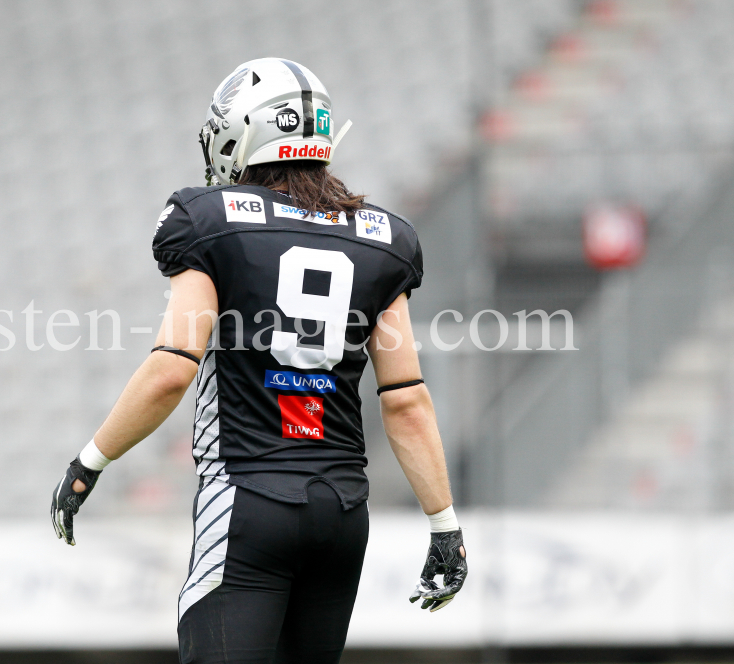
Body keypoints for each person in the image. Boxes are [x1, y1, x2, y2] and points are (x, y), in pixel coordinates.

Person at [51, 58, 467, 664]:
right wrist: (444, 523)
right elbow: (405, 399)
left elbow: (172, 368)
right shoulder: (385, 237)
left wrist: (89, 462)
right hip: (343, 511)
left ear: (246, 132)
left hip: (250, 499)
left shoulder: (209, 219)